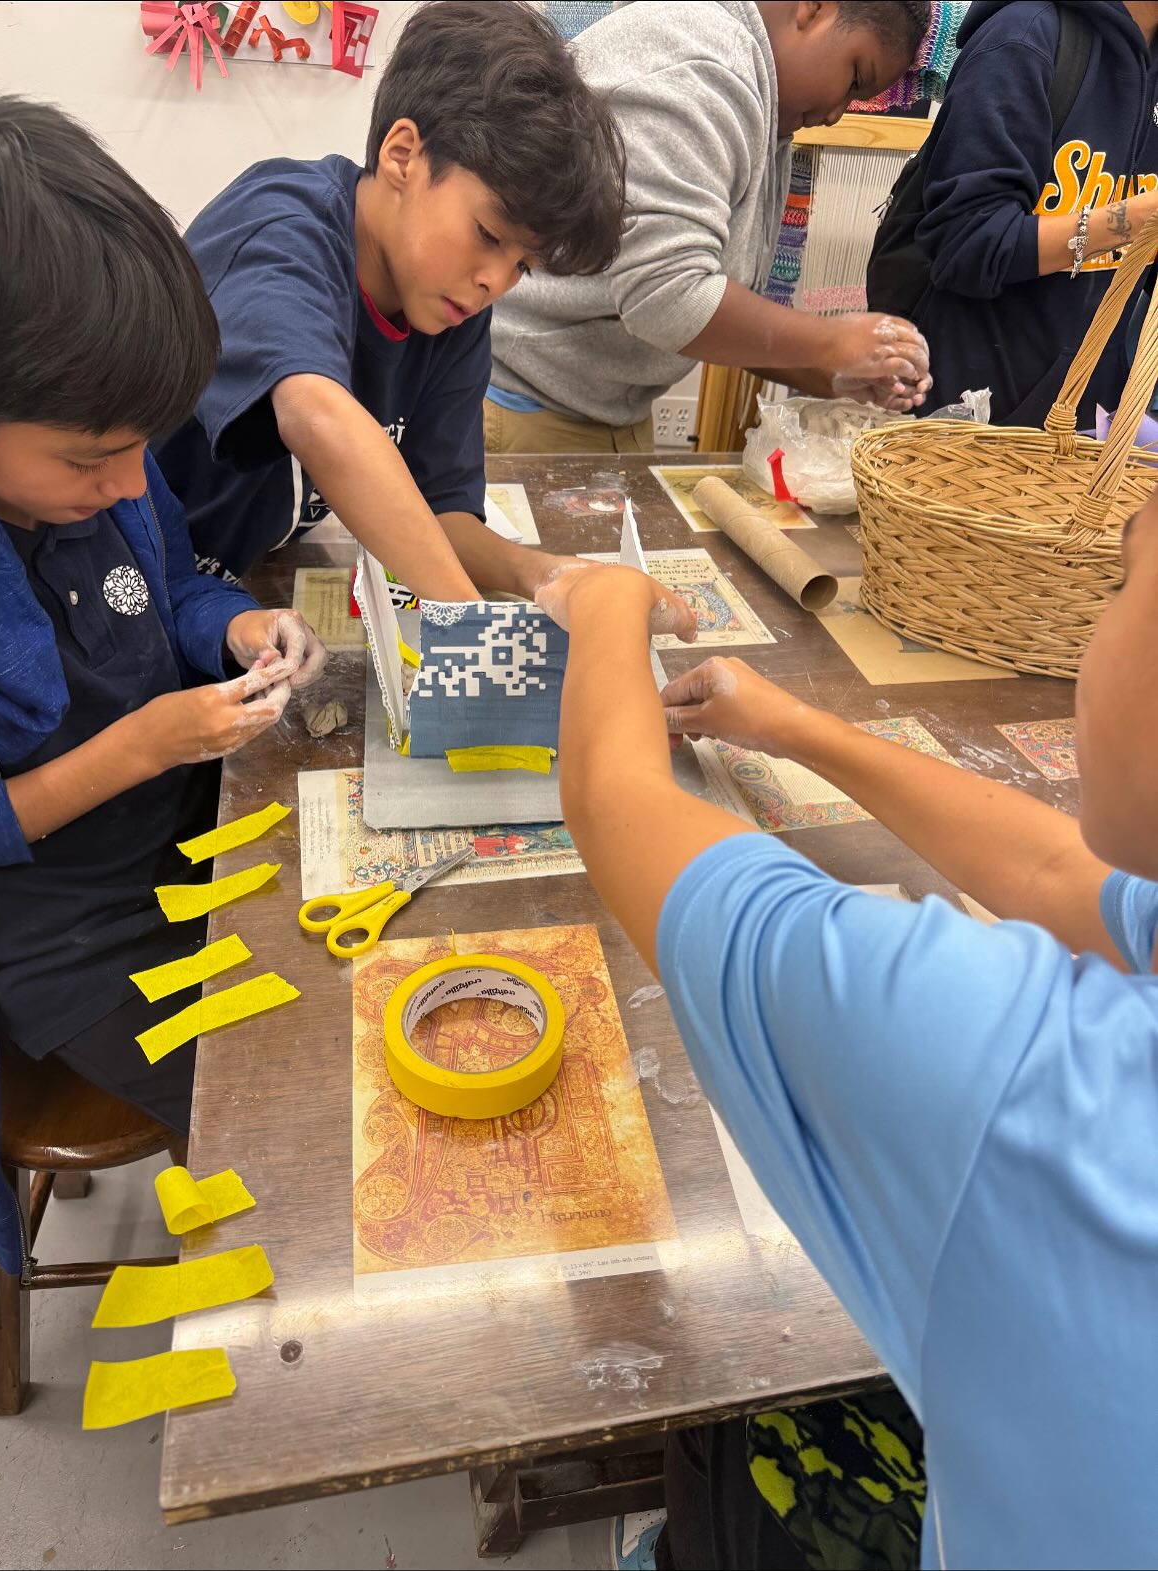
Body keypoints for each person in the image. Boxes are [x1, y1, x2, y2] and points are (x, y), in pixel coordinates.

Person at [538, 483, 1158, 1563]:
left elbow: (611, 796)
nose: (1100, 622)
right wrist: (793, 727)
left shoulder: (1018, 1070)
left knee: (734, 1422)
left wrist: (603, 601)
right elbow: (1058, 867)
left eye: (1123, 581)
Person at [0, 99, 326, 1280]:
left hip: (188, 847)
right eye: (88, 458)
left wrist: (237, 623)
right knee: (278, 1111)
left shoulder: (113, 477)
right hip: (60, 934)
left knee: (339, 1007)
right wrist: (137, 746)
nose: (130, 480)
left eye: (143, 444)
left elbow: (173, 582)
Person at [157, 0, 639, 606]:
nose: (497, 281)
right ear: (403, 155)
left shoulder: (449, 306)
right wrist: (469, 621)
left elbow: (444, 514)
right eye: (489, 235)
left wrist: (540, 576)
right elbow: (315, 416)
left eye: (523, 264)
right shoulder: (279, 225)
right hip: (122, 579)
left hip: (229, 587)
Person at [485, 0, 935, 457]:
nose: (837, 114)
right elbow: (666, 297)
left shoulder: (761, 99)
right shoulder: (705, 64)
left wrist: (836, 374)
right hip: (523, 405)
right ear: (814, 7)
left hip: (599, 411)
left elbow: (730, 311)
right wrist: (834, 342)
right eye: (855, 77)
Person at [875, 0, 1158, 426]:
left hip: (1086, 433)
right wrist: (1131, 220)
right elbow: (968, 243)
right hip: (968, 427)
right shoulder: (1024, 38)